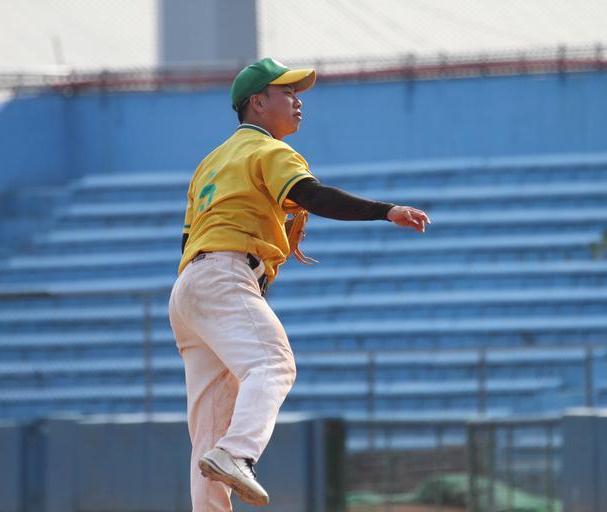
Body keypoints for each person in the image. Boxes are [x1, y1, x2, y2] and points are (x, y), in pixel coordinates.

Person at [168, 57, 430, 511]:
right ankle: (239, 452)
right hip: (226, 274)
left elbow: (190, 238)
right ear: (257, 102)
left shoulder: (210, 163)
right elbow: (312, 194)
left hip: (190, 287)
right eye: (286, 92)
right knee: (273, 364)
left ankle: (224, 465)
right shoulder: (268, 150)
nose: (297, 100)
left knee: (208, 431)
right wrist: (385, 210)